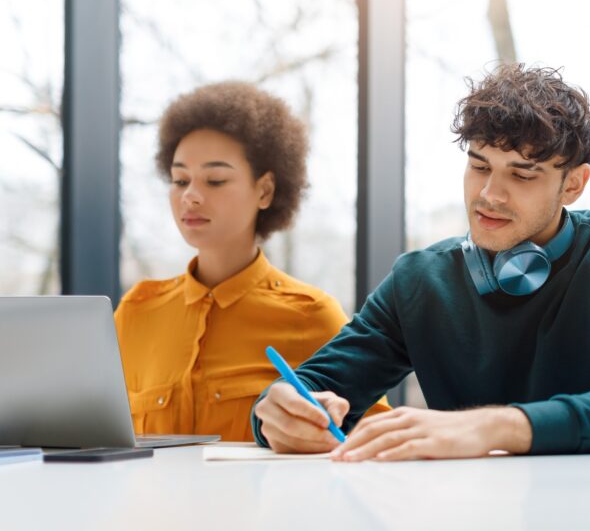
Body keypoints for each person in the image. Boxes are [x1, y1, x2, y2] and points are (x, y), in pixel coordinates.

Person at [252, 64, 590, 460]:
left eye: (521, 175)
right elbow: (309, 388)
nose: (489, 195)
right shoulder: (420, 280)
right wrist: (278, 416)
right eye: (480, 166)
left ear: (573, 184)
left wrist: (496, 426)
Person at [115, 82, 388, 441]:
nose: (191, 196)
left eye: (215, 180)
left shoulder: (310, 315)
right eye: (180, 180)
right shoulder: (137, 312)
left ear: (265, 191)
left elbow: (373, 442)